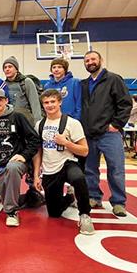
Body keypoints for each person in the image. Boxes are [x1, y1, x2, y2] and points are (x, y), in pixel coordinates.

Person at [33, 89, 95, 235]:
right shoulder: (39, 125)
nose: (49, 105)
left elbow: (84, 150)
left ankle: (85, 215)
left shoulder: (72, 123)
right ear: (42, 105)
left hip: (67, 162)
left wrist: (66, 143)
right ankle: (69, 197)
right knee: (54, 213)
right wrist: (36, 174)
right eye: (46, 102)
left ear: (60, 102)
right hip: (49, 169)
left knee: (78, 178)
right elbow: (38, 151)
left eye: (53, 101)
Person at [81, 50, 132, 217]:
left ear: (100, 60)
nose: (90, 62)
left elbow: (125, 104)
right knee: (90, 169)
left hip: (109, 134)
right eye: (87, 60)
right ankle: (94, 196)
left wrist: (116, 124)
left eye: (93, 59)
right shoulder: (84, 84)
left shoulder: (113, 79)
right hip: (89, 134)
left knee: (116, 168)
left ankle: (118, 202)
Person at [0, 88, 40, 227]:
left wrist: (24, 155)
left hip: (17, 163)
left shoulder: (17, 117)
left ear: (6, 100)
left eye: (0, 99)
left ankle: (12, 213)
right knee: (4, 197)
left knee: (12, 168)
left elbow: (35, 139)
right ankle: (26, 199)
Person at [2, 56, 42, 125]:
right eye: (5, 67)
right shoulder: (3, 85)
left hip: (26, 121)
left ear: (16, 69)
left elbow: (35, 104)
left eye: (10, 67)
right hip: (10, 122)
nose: (7, 69)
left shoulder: (26, 82)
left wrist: (37, 123)